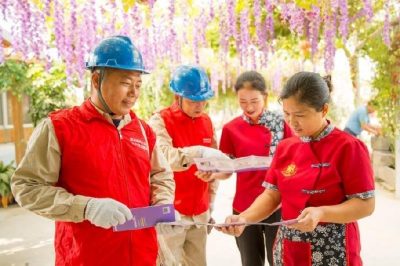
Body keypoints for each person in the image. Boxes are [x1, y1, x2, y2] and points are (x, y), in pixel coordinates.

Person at [11, 35, 175, 266]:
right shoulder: (60, 127)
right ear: (97, 79)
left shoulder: (143, 131)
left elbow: (161, 174)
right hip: (85, 258)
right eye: (126, 83)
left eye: (138, 84)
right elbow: (26, 187)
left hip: (142, 257)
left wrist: (161, 204)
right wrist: (87, 208)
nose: (134, 93)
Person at [219, 72, 375, 265]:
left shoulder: (349, 147)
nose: (292, 122)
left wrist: (322, 213)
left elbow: (365, 205)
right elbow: (271, 196)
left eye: (300, 115)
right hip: (289, 249)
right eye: (286, 114)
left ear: (324, 109)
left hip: (334, 251)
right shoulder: (285, 147)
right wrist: (244, 218)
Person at [197, 71, 292, 266]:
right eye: (243, 101)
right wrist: (213, 174)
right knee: (250, 262)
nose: (249, 107)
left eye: (254, 101)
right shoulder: (231, 129)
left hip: (279, 205)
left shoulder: (281, 124)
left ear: (265, 97)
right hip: (244, 208)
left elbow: (294, 162)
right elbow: (227, 169)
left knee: (280, 261)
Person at [149, 65, 227, 266]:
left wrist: (210, 202)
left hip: (199, 212)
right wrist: (197, 153)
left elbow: (215, 164)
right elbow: (164, 157)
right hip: (171, 213)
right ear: (177, 97)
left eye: (203, 101)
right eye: (193, 101)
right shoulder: (160, 120)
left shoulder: (207, 121)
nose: (199, 106)